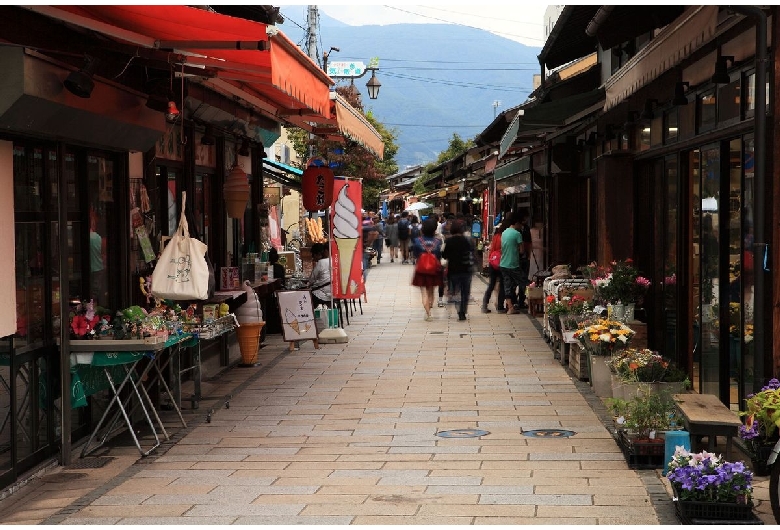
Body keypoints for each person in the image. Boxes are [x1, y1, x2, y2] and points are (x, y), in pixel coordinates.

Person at [410, 218, 443, 321]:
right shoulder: (438, 241)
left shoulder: (417, 240)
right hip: (433, 269)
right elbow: (439, 256)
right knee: (431, 291)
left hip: (421, 269)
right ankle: (430, 307)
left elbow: (415, 255)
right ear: (434, 230)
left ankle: (428, 314)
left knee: (424, 292)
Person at [441, 220, 475, 321]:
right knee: (465, 292)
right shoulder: (467, 240)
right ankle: (462, 311)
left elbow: (444, 255)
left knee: (456, 291)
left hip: (453, 270)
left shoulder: (448, 241)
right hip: (466, 269)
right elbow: (472, 252)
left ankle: (458, 308)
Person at [482, 218, 510, 313]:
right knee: (502, 285)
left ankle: (484, 305)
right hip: (502, 262)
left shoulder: (496, 236)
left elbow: (491, 249)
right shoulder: (505, 237)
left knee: (491, 285)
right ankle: (500, 307)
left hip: (493, 262)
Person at [499, 211, 525, 314]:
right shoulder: (517, 234)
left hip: (503, 263)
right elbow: (522, 250)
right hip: (513, 264)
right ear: (517, 223)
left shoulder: (504, 232)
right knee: (524, 282)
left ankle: (510, 307)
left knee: (507, 285)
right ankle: (525, 302)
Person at [516, 209, 533, 310]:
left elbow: (529, 243)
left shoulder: (526, 228)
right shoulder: (516, 230)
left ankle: (521, 301)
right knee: (519, 280)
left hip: (524, 258)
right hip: (517, 258)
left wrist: (529, 255)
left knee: (523, 279)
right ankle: (516, 301)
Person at [308, 242, 331, 309]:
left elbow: (311, 279)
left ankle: (310, 316)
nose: (313, 257)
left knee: (307, 296)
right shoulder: (334, 260)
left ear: (318, 254)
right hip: (335, 291)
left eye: (313, 255)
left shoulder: (321, 262)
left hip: (324, 293)